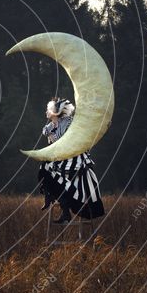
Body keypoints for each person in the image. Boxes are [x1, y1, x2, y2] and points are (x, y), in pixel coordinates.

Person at [38, 97, 105, 237]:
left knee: (50, 171)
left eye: (49, 110)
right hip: (61, 157)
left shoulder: (69, 122)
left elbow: (66, 142)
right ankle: (52, 198)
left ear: (56, 112)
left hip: (73, 157)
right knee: (44, 169)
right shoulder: (51, 125)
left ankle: (59, 204)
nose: (46, 112)